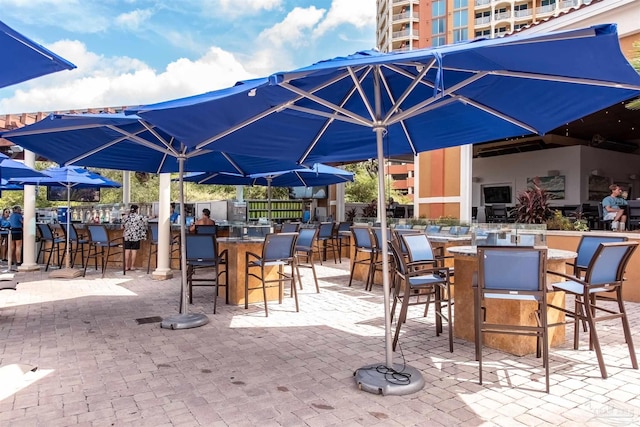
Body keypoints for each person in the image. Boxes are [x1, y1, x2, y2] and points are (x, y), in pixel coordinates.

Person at [123, 204, 148, 271]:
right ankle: (132, 266)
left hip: (127, 235)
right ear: (137, 210)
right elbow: (146, 221)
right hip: (136, 236)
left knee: (127, 250)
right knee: (134, 251)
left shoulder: (125, 217)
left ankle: (126, 266)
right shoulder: (139, 217)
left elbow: (122, 226)